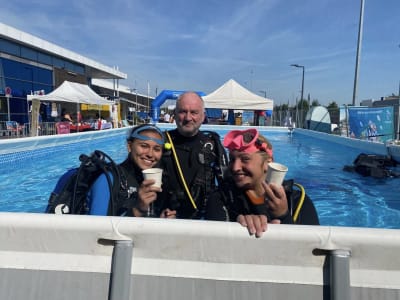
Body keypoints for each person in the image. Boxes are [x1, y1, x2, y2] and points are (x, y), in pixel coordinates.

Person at [205, 128, 319, 238]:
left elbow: (309, 250)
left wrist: (283, 215)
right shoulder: (221, 198)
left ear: (267, 163)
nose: (235, 168)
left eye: (245, 159)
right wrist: (240, 226)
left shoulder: (297, 201)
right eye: (232, 159)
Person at [161, 91, 228, 219]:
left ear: (203, 116)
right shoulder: (160, 144)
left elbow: (227, 188)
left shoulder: (213, 146)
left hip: (202, 222)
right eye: (182, 112)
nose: (188, 118)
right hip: (167, 222)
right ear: (174, 115)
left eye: (194, 112)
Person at [89, 124, 175, 218]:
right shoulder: (108, 179)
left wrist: (162, 221)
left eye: (156, 149)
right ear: (129, 146)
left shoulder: (160, 181)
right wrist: (137, 210)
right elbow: (97, 229)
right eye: (144, 146)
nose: (150, 154)